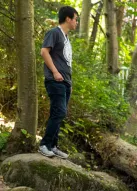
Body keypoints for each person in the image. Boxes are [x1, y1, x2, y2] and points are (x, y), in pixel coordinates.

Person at [39, 6, 78, 159]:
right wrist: (55, 72)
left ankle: (53, 146)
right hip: (55, 80)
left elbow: (66, 61)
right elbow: (44, 51)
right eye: (75, 19)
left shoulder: (66, 38)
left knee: (60, 113)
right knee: (59, 111)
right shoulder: (54, 32)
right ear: (68, 19)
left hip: (65, 82)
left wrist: (70, 83)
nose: (77, 23)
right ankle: (44, 145)